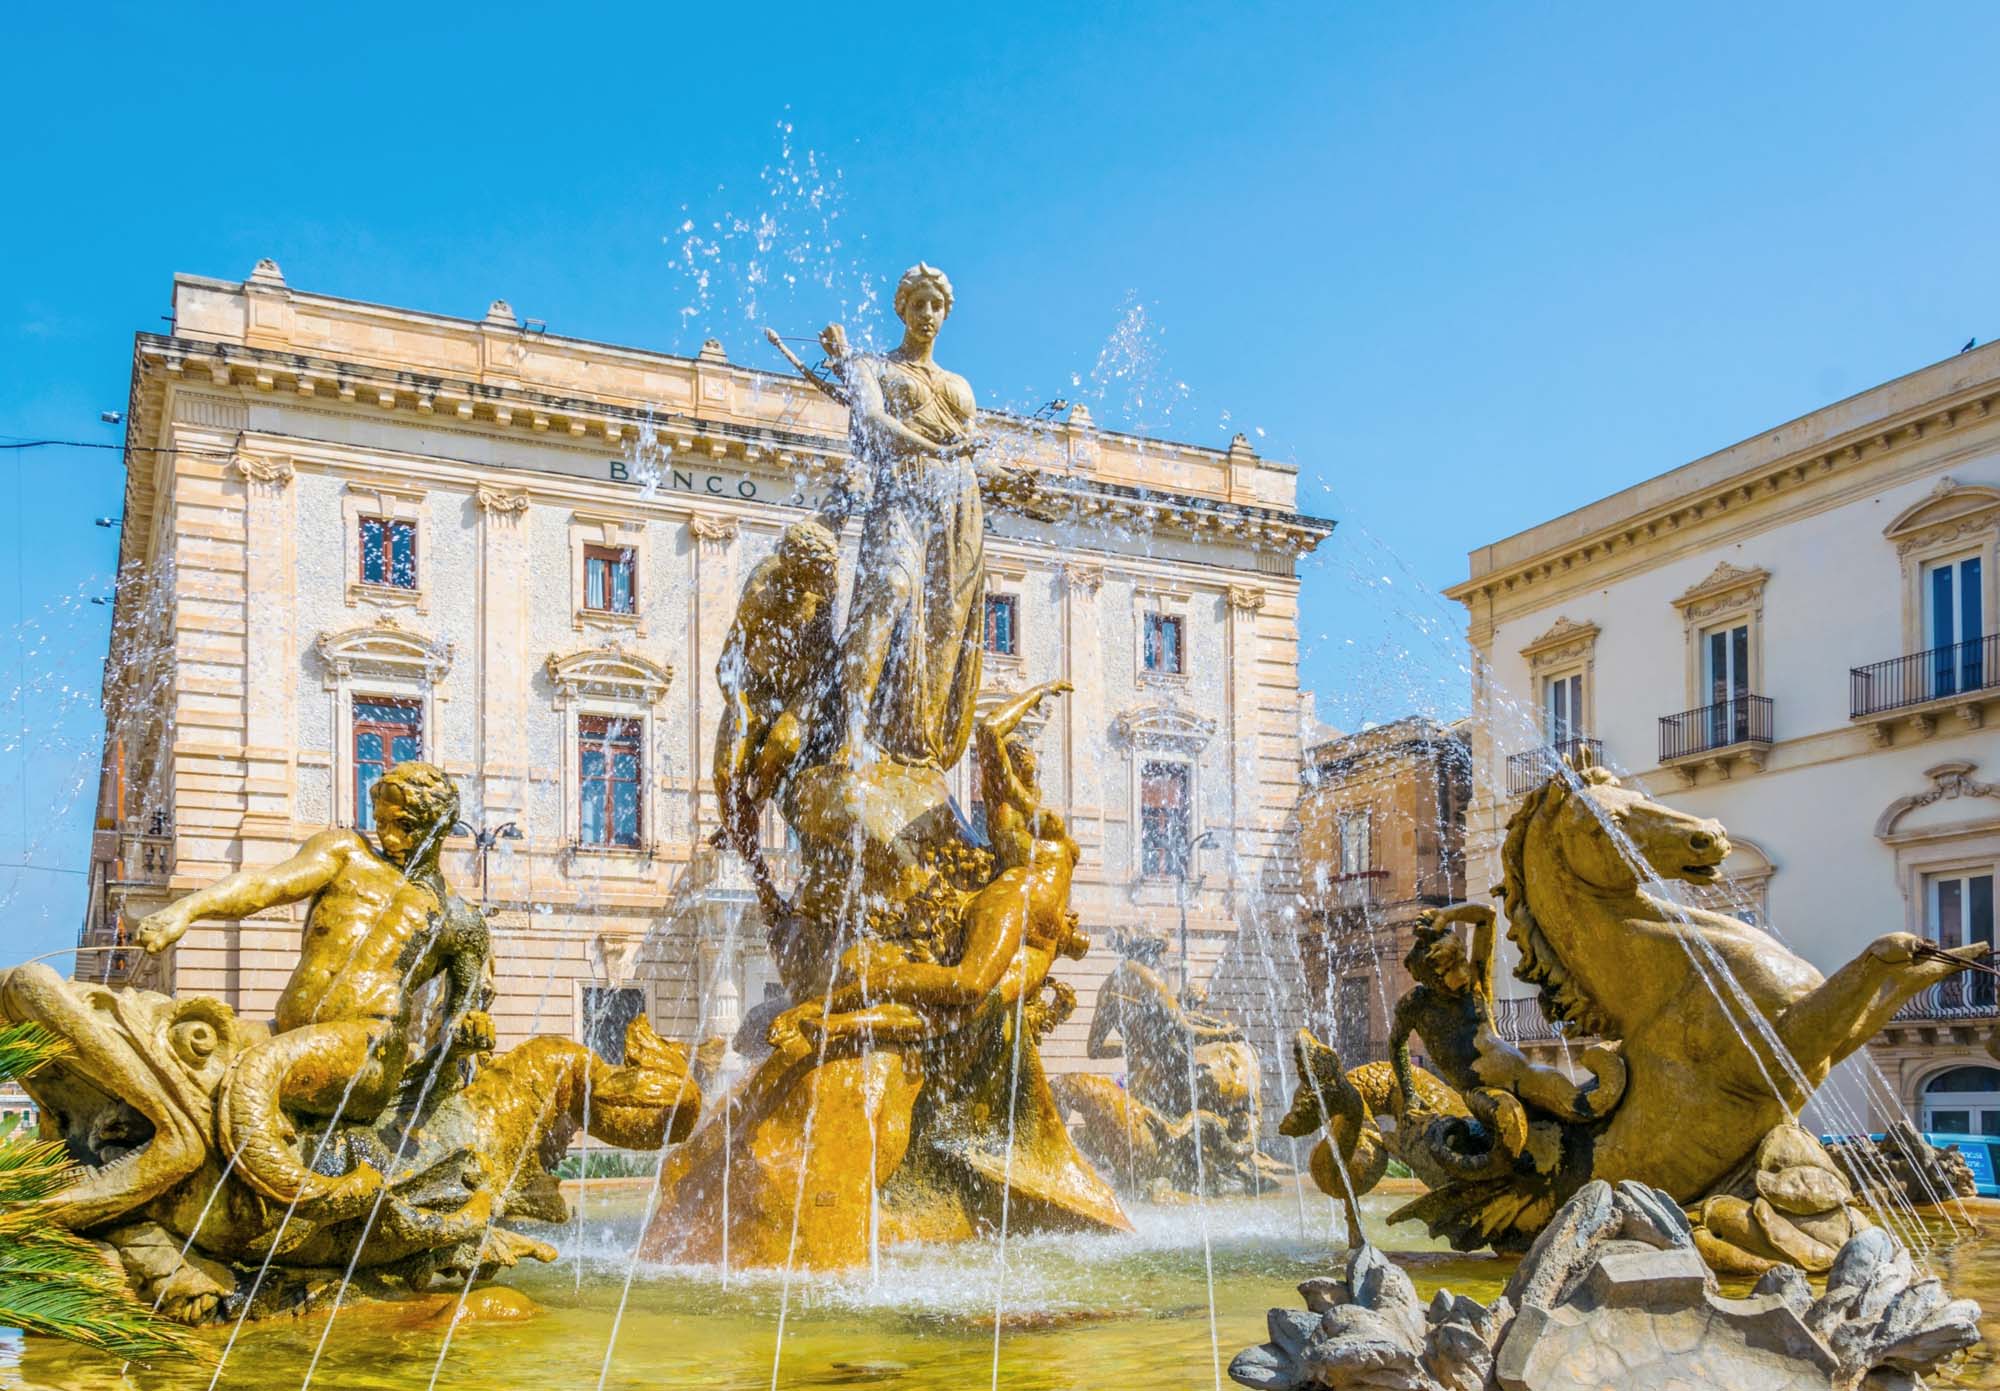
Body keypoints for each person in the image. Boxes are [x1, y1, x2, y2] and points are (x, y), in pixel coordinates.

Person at [135, 762, 491, 1216]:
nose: (389, 838)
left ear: (441, 826)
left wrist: (468, 1033)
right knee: (174, 1047)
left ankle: (303, 1203)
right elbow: (265, 886)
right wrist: (186, 909)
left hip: (368, 1051)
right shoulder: (345, 853)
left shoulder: (462, 922)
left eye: (404, 826)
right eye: (381, 822)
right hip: (284, 1032)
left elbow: (459, 1029)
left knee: (257, 1070)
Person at [818, 263, 987, 772]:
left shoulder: (958, 385)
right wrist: (937, 446)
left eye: (937, 306)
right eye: (919, 305)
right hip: (901, 498)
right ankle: (850, 733)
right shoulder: (876, 366)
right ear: (902, 308)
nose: (928, 315)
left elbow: (972, 455)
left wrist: (1008, 478)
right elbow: (871, 420)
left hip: (960, 511)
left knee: (943, 631)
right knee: (887, 591)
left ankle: (919, 749)